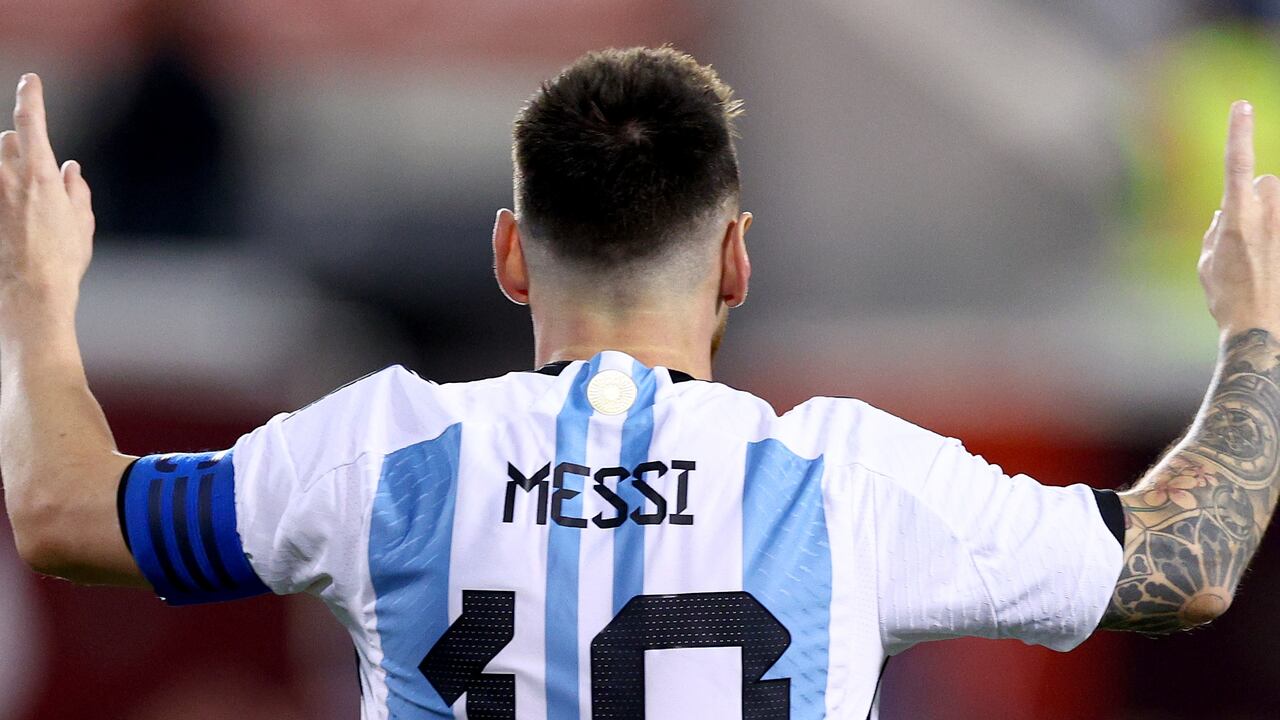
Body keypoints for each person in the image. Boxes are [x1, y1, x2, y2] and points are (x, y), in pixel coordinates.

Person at [1, 47, 1277, 719]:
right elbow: (1186, 563)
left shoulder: (383, 453)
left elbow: (62, 509)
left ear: (509, 255)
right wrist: (1252, 334)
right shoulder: (846, 479)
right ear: (735, 262)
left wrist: (40, 300)